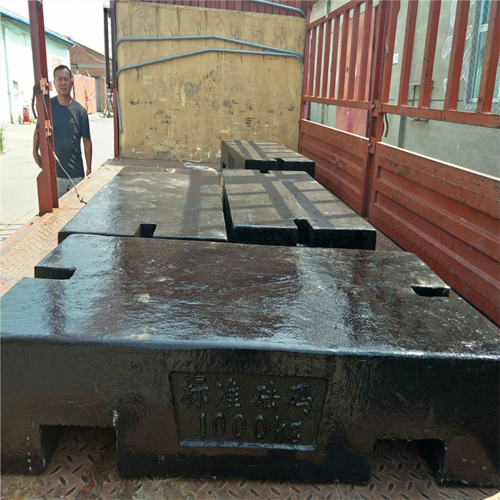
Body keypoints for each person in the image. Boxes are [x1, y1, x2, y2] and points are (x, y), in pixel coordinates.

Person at [33, 65, 92, 198]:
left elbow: (87, 140)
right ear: (54, 83)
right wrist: (35, 151)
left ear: (71, 82)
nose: (63, 83)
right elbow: (38, 131)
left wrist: (89, 168)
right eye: (59, 79)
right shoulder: (48, 107)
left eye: (66, 79)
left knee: (77, 209)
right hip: (55, 174)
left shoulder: (80, 111)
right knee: (56, 208)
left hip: (76, 174)